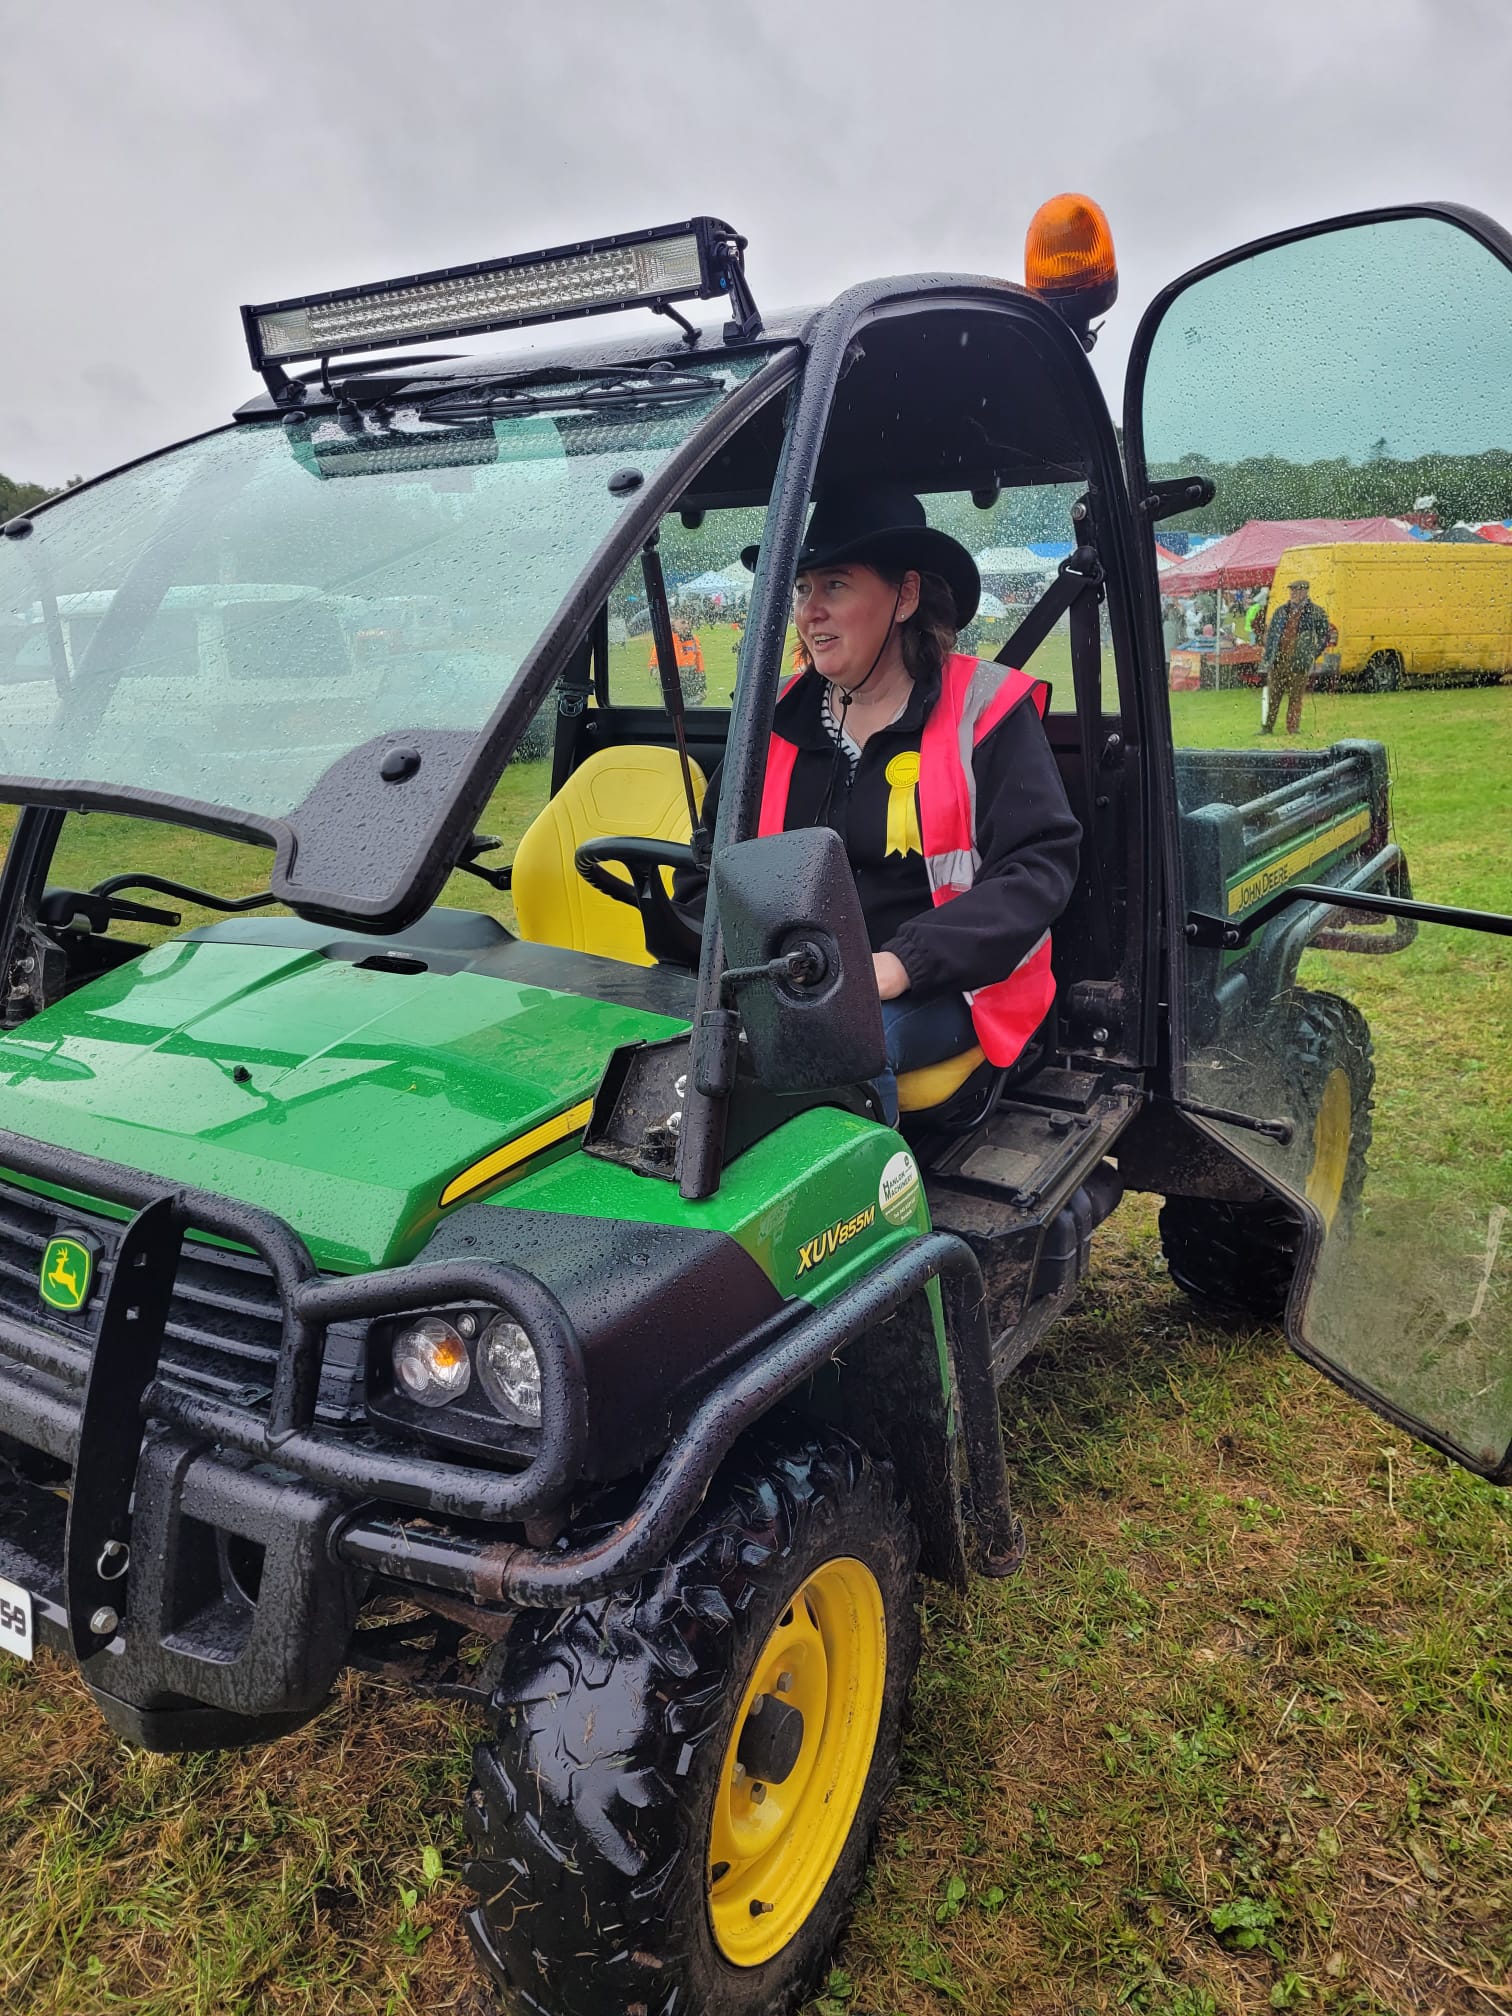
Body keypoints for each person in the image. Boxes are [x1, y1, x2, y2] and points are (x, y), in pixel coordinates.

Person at [681, 482, 1081, 1125]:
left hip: (955, 981)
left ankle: (874, 1190)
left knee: (832, 1051)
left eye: (836, 585)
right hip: (790, 978)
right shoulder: (769, 718)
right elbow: (710, 867)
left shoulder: (985, 710)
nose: (810, 611)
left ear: (906, 596)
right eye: (802, 588)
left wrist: (900, 964)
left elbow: (1037, 871)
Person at [1260, 577, 1331, 734]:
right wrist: (1268, 658)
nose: (1293, 593)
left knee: (1295, 697)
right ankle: (1267, 727)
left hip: (1299, 662)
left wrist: (1312, 653)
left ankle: (1293, 728)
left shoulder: (1316, 612)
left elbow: (1325, 635)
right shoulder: (1280, 611)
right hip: (1278, 661)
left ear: (1305, 591)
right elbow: (1271, 636)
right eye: (1291, 590)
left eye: (1296, 590)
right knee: (1272, 696)